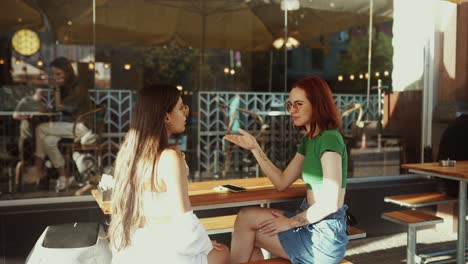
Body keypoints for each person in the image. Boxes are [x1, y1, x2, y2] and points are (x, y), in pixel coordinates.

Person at [225, 76, 348, 264]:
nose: (293, 110)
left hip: (323, 235)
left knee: (248, 232)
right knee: (245, 217)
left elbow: (331, 204)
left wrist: (289, 223)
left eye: (299, 104)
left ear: (317, 104)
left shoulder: (329, 139)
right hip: (310, 220)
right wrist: (255, 148)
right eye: (290, 105)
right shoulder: (311, 140)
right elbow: (282, 182)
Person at [108, 84, 230, 264]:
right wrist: (203, 245)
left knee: (250, 255)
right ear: (166, 116)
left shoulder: (128, 155)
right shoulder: (169, 158)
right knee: (225, 252)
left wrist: (201, 244)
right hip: (165, 253)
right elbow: (184, 220)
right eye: (181, 108)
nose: (186, 113)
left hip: (131, 250)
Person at [31, 57, 94, 191]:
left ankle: (38, 168)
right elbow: (56, 107)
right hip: (68, 126)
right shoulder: (65, 87)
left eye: (59, 74)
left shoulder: (78, 87)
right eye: (54, 74)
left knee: (40, 128)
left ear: (68, 73)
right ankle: (63, 177)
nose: (56, 77)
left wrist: (56, 89)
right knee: (48, 141)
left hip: (82, 127)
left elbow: (59, 107)